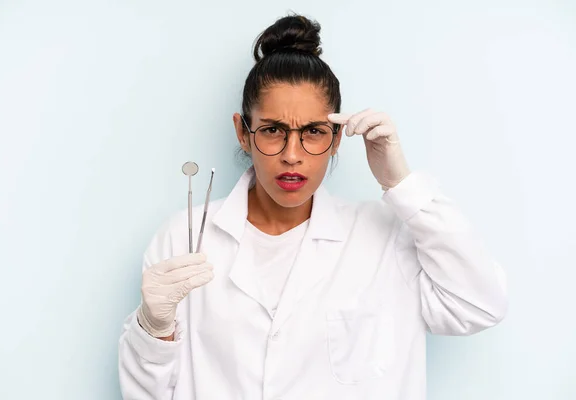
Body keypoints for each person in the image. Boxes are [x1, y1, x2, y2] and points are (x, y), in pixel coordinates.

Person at [118, 14, 507, 400]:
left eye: (313, 132)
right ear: (242, 131)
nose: (292, 156)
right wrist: (153, 329)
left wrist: (400, 183)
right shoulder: (183, 239)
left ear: (337, 137)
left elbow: (479, 305)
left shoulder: (384, 237)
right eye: (272, 130)